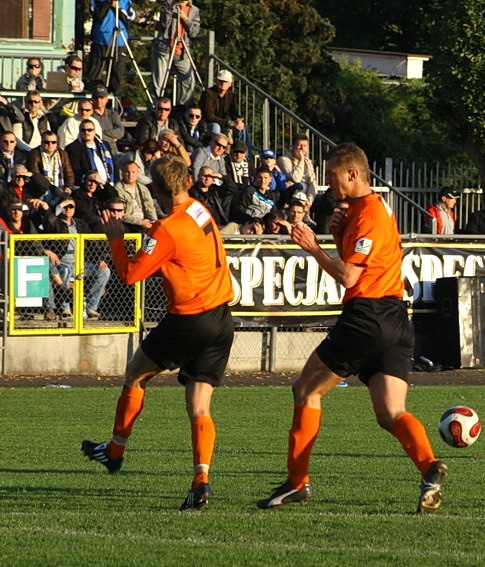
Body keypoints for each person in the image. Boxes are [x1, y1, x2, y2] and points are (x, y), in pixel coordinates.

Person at [256, 143, 447, 514]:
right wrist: (338, 237)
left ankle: (297, 482)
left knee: (305, 391)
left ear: (353, 174)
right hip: (393, 318)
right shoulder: (368, 209)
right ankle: (430, 466)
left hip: (366, 318)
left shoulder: (370, 213)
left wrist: (313, 247)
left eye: (332, 176)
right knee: (390, 412)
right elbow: (361, 260)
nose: (328, 183)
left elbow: (349, 276)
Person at [81, 154, 235, 511]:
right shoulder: (199, 210)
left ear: (157, 189)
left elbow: (131, 274)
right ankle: (201, 481)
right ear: (187, 183)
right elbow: (181, 247)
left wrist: (116, 238)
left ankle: (115, 451)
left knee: (135, 374)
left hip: (190, 319)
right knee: (199, 405)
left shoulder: (168, 228)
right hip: (221, 318)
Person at [45, 196, 112, 319]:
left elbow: (92, 242)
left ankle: (91, 307)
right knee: (66, 270)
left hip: (81, 264)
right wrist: (60, 206)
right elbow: (49, 219)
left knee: (104, 271)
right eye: (65, 206)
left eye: (71, 206)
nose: (68, 209)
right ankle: (65, 308)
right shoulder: (55, 223)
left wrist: (99, 259)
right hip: (61, 263)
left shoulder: (81, 224)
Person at [151, 0, 201, 105]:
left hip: (182, 50)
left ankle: (182, 110)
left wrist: (186, 19)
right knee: (159, 83)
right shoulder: (168, 4)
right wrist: (172, 7)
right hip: (164, 48)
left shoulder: (194, 10)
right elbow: (164, 23)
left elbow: (194, 33)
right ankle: (156, 110)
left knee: (189, 81)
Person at [85, 0, 136, 94]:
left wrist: (116, 8)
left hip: (119, 42)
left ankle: (112, 103)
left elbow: (128, 22)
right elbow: (98, 17)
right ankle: (93, 100)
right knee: (94, 76)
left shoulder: (125, 2)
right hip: (100, 41)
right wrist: (108, 3)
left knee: (116, 77)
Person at [27, 130, 75, 205]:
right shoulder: (34, 154)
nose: (50, 144)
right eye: (46, 142)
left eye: (53, 142)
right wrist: (55, 190)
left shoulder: (63, 154)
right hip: (43, 189)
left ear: (57, 143)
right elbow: (37, 178)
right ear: (41, 142)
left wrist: (68, 188)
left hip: (61, 188)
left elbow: (69, 174)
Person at [65, 119, 116, 186]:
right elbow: (77, 171)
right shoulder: (73, 148)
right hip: (88, 186)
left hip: (108, 185)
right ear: (79, 132)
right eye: (83, 130)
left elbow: (114, 165)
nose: (86, 132)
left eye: (89, 130)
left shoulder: (104, 145)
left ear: (94, 131)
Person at [200, 70, 246, 143]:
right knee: (216, 127)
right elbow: (209, 116)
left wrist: (239, 121)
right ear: (216, 81)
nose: (223, 83)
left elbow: (233, 113)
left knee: (243, 127)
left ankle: (243, 152)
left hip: (223, 123)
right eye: (220, 81)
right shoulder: (208, 94)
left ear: (230, 84)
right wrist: (228, 122)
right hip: (207, 124)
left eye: (225, 81)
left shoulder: (231, 95)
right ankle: (215, 150)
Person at [190, 165, 237, 233]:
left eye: (210, 176)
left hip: (220, 225)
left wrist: (221, 177)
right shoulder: (192, 194)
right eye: (205, 176)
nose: (207, 179)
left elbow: (233, 189)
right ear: (198, 176)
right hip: (204, 228)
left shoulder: (215, 190)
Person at [115, 161, 157, 232]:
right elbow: (120, 214)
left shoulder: (143, 189)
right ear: (122, 173)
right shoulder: (117, 188)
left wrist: (154, 223)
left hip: (145, 222)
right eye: (127, 172)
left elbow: (150, 208)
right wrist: (140, 222)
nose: (130, 175)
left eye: (133, 172)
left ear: (138, 174)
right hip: (128, 224)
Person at [91, 85, 125, 152]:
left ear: (106, 99)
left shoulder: (113, 114)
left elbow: (120, 132)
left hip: (113, 151)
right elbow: (92, 136)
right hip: (96, 150)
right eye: (96, 98)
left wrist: (100, 132)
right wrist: (111, 139)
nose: (99, 100)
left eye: (101, 97)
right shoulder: (89, 115)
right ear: (92, 99)